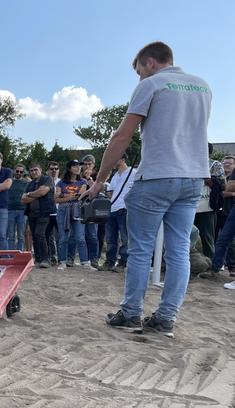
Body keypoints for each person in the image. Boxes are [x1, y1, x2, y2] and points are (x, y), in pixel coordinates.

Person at [82, 41, 212, 336]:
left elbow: (122, 136)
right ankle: (166, 317)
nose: (140, 78)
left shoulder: (152, 84)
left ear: (151, 62)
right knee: (179, 251)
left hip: (156, 176)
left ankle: (131, 313)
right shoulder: (203, 87)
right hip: (192, 177)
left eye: (140, 71)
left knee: (140, 249)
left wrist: (100, 179)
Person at [200, 161, 235, 281]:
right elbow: (229, 186)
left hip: (212, 208)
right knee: (223, 239)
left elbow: (227, 186)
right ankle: (214, 269)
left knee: (219, 238)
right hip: (228, 209)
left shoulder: (216, 165)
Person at [56, 160, 92, 270]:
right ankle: (62, 261)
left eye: (79, 166)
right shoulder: (60, 182)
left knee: (80, 237)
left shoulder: (83, 182)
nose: (78, 168)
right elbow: (55, 199)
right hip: (63, 211)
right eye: (75, 166)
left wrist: (63, 195)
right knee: (63, 238)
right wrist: (67, 196)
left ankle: (84, 262)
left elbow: (80, 196)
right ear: (69, 168)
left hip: (78, 210)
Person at [103, 154, 136, 271]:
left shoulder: (134, 172)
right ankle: (110, 261)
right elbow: (111, 192)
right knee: (111, 238)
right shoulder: (115, 175)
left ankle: (123, 262)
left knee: (125, 238)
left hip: (125, 208)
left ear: (123, 159)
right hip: (113, 208)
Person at [21, 162, 54, 268]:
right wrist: (37, 194)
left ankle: (46, 259)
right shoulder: (29, 184)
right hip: (31, 213)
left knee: (40, 234)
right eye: (31, 170)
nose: (33, 172)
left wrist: (30, 194)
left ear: (41, 170)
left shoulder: (47, 179)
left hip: (44, 212)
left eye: (35, 170)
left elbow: (43, 192)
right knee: (34, 236)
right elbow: (23, 199)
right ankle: (38, 259)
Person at [80, 155, 101, 267]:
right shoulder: (77, 176)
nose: (87, 166)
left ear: (93, 165)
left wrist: (88, 178)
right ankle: (84, 258)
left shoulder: (97, 176)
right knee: (80, 235)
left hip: (92, 209)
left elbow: (96, 191)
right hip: (80, 208)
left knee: (92, 234)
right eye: (85, 164)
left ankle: (94, 259)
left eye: (89, 164)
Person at [7, 163, 29, 250]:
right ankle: (11, 254)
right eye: (17, 171)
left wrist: (27, 176)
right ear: (13, 171)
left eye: (21, 171)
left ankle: (20, 254)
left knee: (21, 235)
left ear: (23, 172)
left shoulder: (26, 183)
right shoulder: (9, 182)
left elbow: (33, 187)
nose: (19, 173)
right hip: (10, 210)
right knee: (10, 235)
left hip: (22, 211)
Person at [46, 161, 61, 264]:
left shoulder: (62, 182)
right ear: (48, 170)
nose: (54, 170)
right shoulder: (44, 181)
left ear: (59, 170)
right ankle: (52, 256)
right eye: (52, 169)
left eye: (56, 168)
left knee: (61, 236)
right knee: (48, 236)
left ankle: (62, 257)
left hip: (60, 212)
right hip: (47, 212)